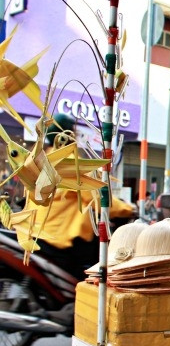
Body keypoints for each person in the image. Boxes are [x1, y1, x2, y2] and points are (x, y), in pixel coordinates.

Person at [29, 113, 134, 280]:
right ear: (69, 134)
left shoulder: (42, 159)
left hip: (36, 233)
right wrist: (128, 209)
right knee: (93, 263)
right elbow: (100, 199)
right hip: (58, 240)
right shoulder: (69, 163)